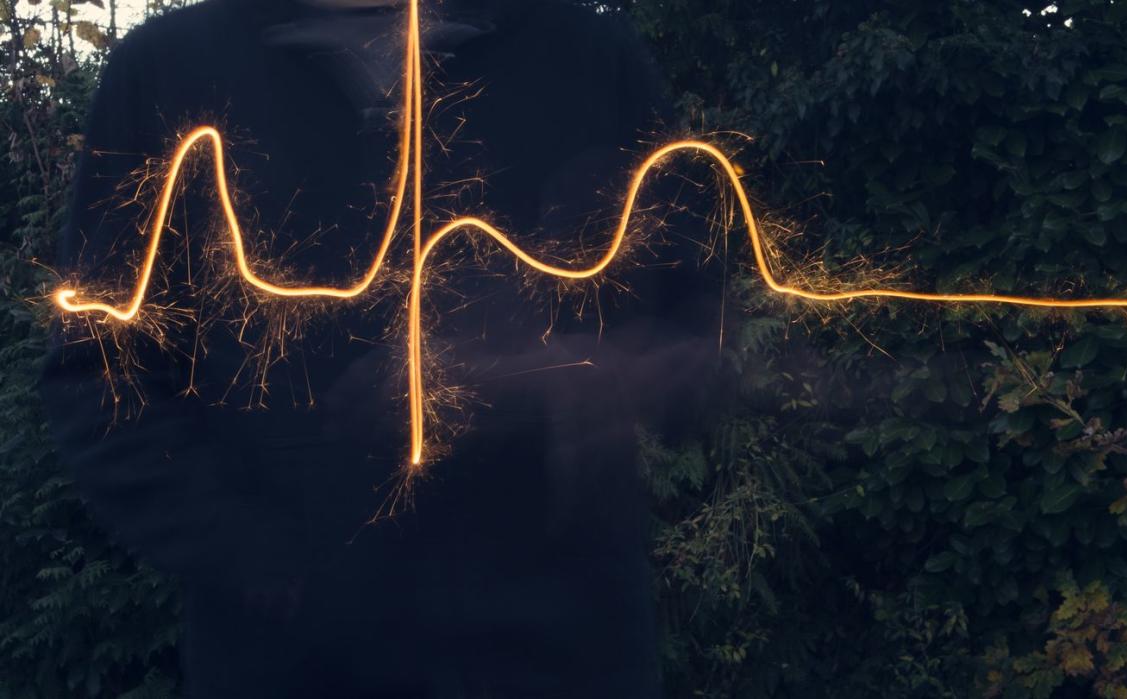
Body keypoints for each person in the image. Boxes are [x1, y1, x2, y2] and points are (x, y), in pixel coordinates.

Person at [40, 0, 723, 696]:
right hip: (290, 669)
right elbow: (97, 375)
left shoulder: (588, 57)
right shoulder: (167, 73)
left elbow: (694, 332)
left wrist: (544, 382)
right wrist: (256, 556)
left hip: (566, 657)